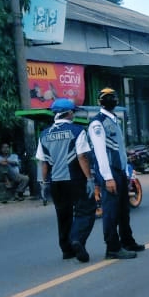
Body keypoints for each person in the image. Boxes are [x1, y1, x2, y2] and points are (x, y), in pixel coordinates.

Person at [35, 99, 96, 262]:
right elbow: (82, 156)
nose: (74, 115)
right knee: (86, 209)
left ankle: (67, 250)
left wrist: (44, 183)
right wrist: (89, 179)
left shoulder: (44, 134)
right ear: (68, 113)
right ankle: (77, 239)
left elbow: (43, 162)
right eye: (73, 112)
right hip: (75, 179)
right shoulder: (77, 130)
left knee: (63, 214)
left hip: (56, 182)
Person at [88, 88, 144, 259]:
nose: (112, 100)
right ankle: (112, 247)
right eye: (107, 98)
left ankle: (127, 241)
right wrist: (108, 177)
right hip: (109, 172)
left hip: (119, 170)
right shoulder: (98, 123)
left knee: (123, 209)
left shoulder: (115, 121)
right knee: (111, 211)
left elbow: (119, 149)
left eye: (114, 97)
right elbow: (100, 152)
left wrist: (126, 170)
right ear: (100, 102)